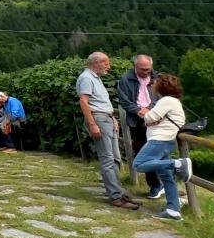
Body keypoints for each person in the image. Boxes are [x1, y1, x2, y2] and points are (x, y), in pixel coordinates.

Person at [77, 52, 139, 209]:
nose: (108, 67)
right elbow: (84, 102)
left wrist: (112, 119)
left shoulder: (95, 78)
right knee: (107, 159)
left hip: (106, 119)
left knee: (116, 158)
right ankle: (115, 196)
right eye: (106, 63)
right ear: (96, 63)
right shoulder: (86, 78)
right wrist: (92, 124)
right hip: (99, 119)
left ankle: (118, 191)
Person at [131, 73, 193, 221]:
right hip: (166, 140)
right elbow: (152, 121)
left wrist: (145, 113)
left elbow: (149, 118)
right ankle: (173, 210)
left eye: (154, 83)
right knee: (166, 176)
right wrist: (150, 119)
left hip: (159, 140)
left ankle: (178, 163)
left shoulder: (166, 101)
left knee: (138, 164)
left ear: (161, 86)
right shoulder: (172, 101)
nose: (152, 86)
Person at [117, 54, 162, 198]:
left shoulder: (158, 78)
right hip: (136, 121)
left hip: (156, 120)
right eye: (143, 69)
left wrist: (149, 109)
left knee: (161, 152)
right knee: (143, 153)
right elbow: (124, 100)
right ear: (135, 67)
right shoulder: (125, 79)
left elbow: (163, 97)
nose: (146, 72)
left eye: (148, 69)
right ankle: (155, 185)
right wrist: (138, 111)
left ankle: (166, 184)